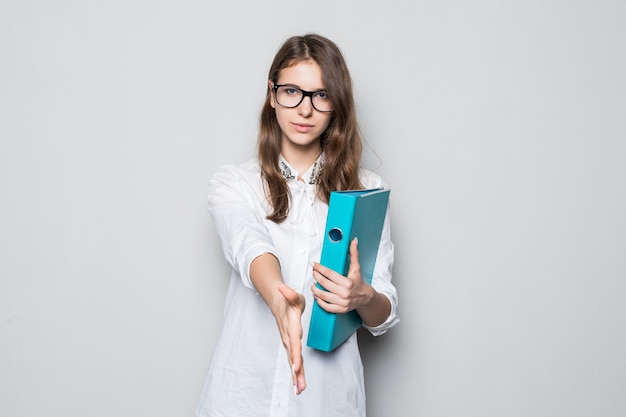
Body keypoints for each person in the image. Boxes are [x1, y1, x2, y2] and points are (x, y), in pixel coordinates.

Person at [196, 33, 399, 417]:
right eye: (291, 91)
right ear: (272, 95)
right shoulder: (233, 184)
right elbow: (250, 245)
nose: (304, 109)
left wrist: (362, 297)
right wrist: (278, 298)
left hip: (327, 402)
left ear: (337, 105)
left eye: (320, 95)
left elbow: (383, 315)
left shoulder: (367, 192)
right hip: (242, 397)